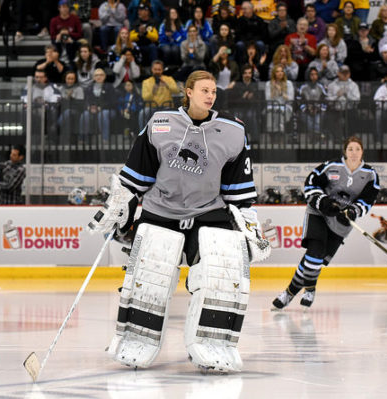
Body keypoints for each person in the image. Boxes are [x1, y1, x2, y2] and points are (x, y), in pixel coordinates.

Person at [90, 70, 264, 372]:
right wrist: (123, 201)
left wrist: (248, 221)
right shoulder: (160, 123)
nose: (210, 96)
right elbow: (136, 175)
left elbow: (238, 188)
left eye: (213, 91)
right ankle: (136, 339)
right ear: (188, 92)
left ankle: (212, 343)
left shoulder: (234, 130)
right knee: (149, 277)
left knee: (221, 274)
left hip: (208, 211)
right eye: (204, 90)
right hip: (162, 210)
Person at [272, 136, 379, 309]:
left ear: (362, 152)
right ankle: (309, 290)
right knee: (314, 253)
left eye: (357, 149)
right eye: (350, 149)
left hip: (341, 223)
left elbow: (368, 200)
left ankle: (289, 293)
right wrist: (323, 201)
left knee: (315, 260)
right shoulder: (331, 167)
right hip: (319, 214)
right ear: (345, 151)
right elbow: (310, 184)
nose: (354, 153)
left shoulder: (370, 175)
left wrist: (353, 211)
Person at [80, 68, 116, 144]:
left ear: (105, 76)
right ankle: (83, 139)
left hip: (108, 110)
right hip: (92, 110)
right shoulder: (89, 88)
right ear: (93, 77)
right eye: (96, 75)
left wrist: (100, 108)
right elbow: (85, 101)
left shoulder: (110, 87)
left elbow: (113, 102)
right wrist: (89, 107)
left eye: (101, 75)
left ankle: (105, 139)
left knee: (103, 114)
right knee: (85, 115)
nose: (99, 77)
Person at [265, 64, 294, 133]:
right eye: (277, 71)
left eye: (281, 71)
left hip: (286, 106)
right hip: (272, 105)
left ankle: (281, 132)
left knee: (280, 110)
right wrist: (274, 90)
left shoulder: (289, 83)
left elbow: (290, 99)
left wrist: (281, 92)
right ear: (274, 74)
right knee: (270, 110)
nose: (280, 73)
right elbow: (267, 99)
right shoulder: (268, 84)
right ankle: (271, 132)